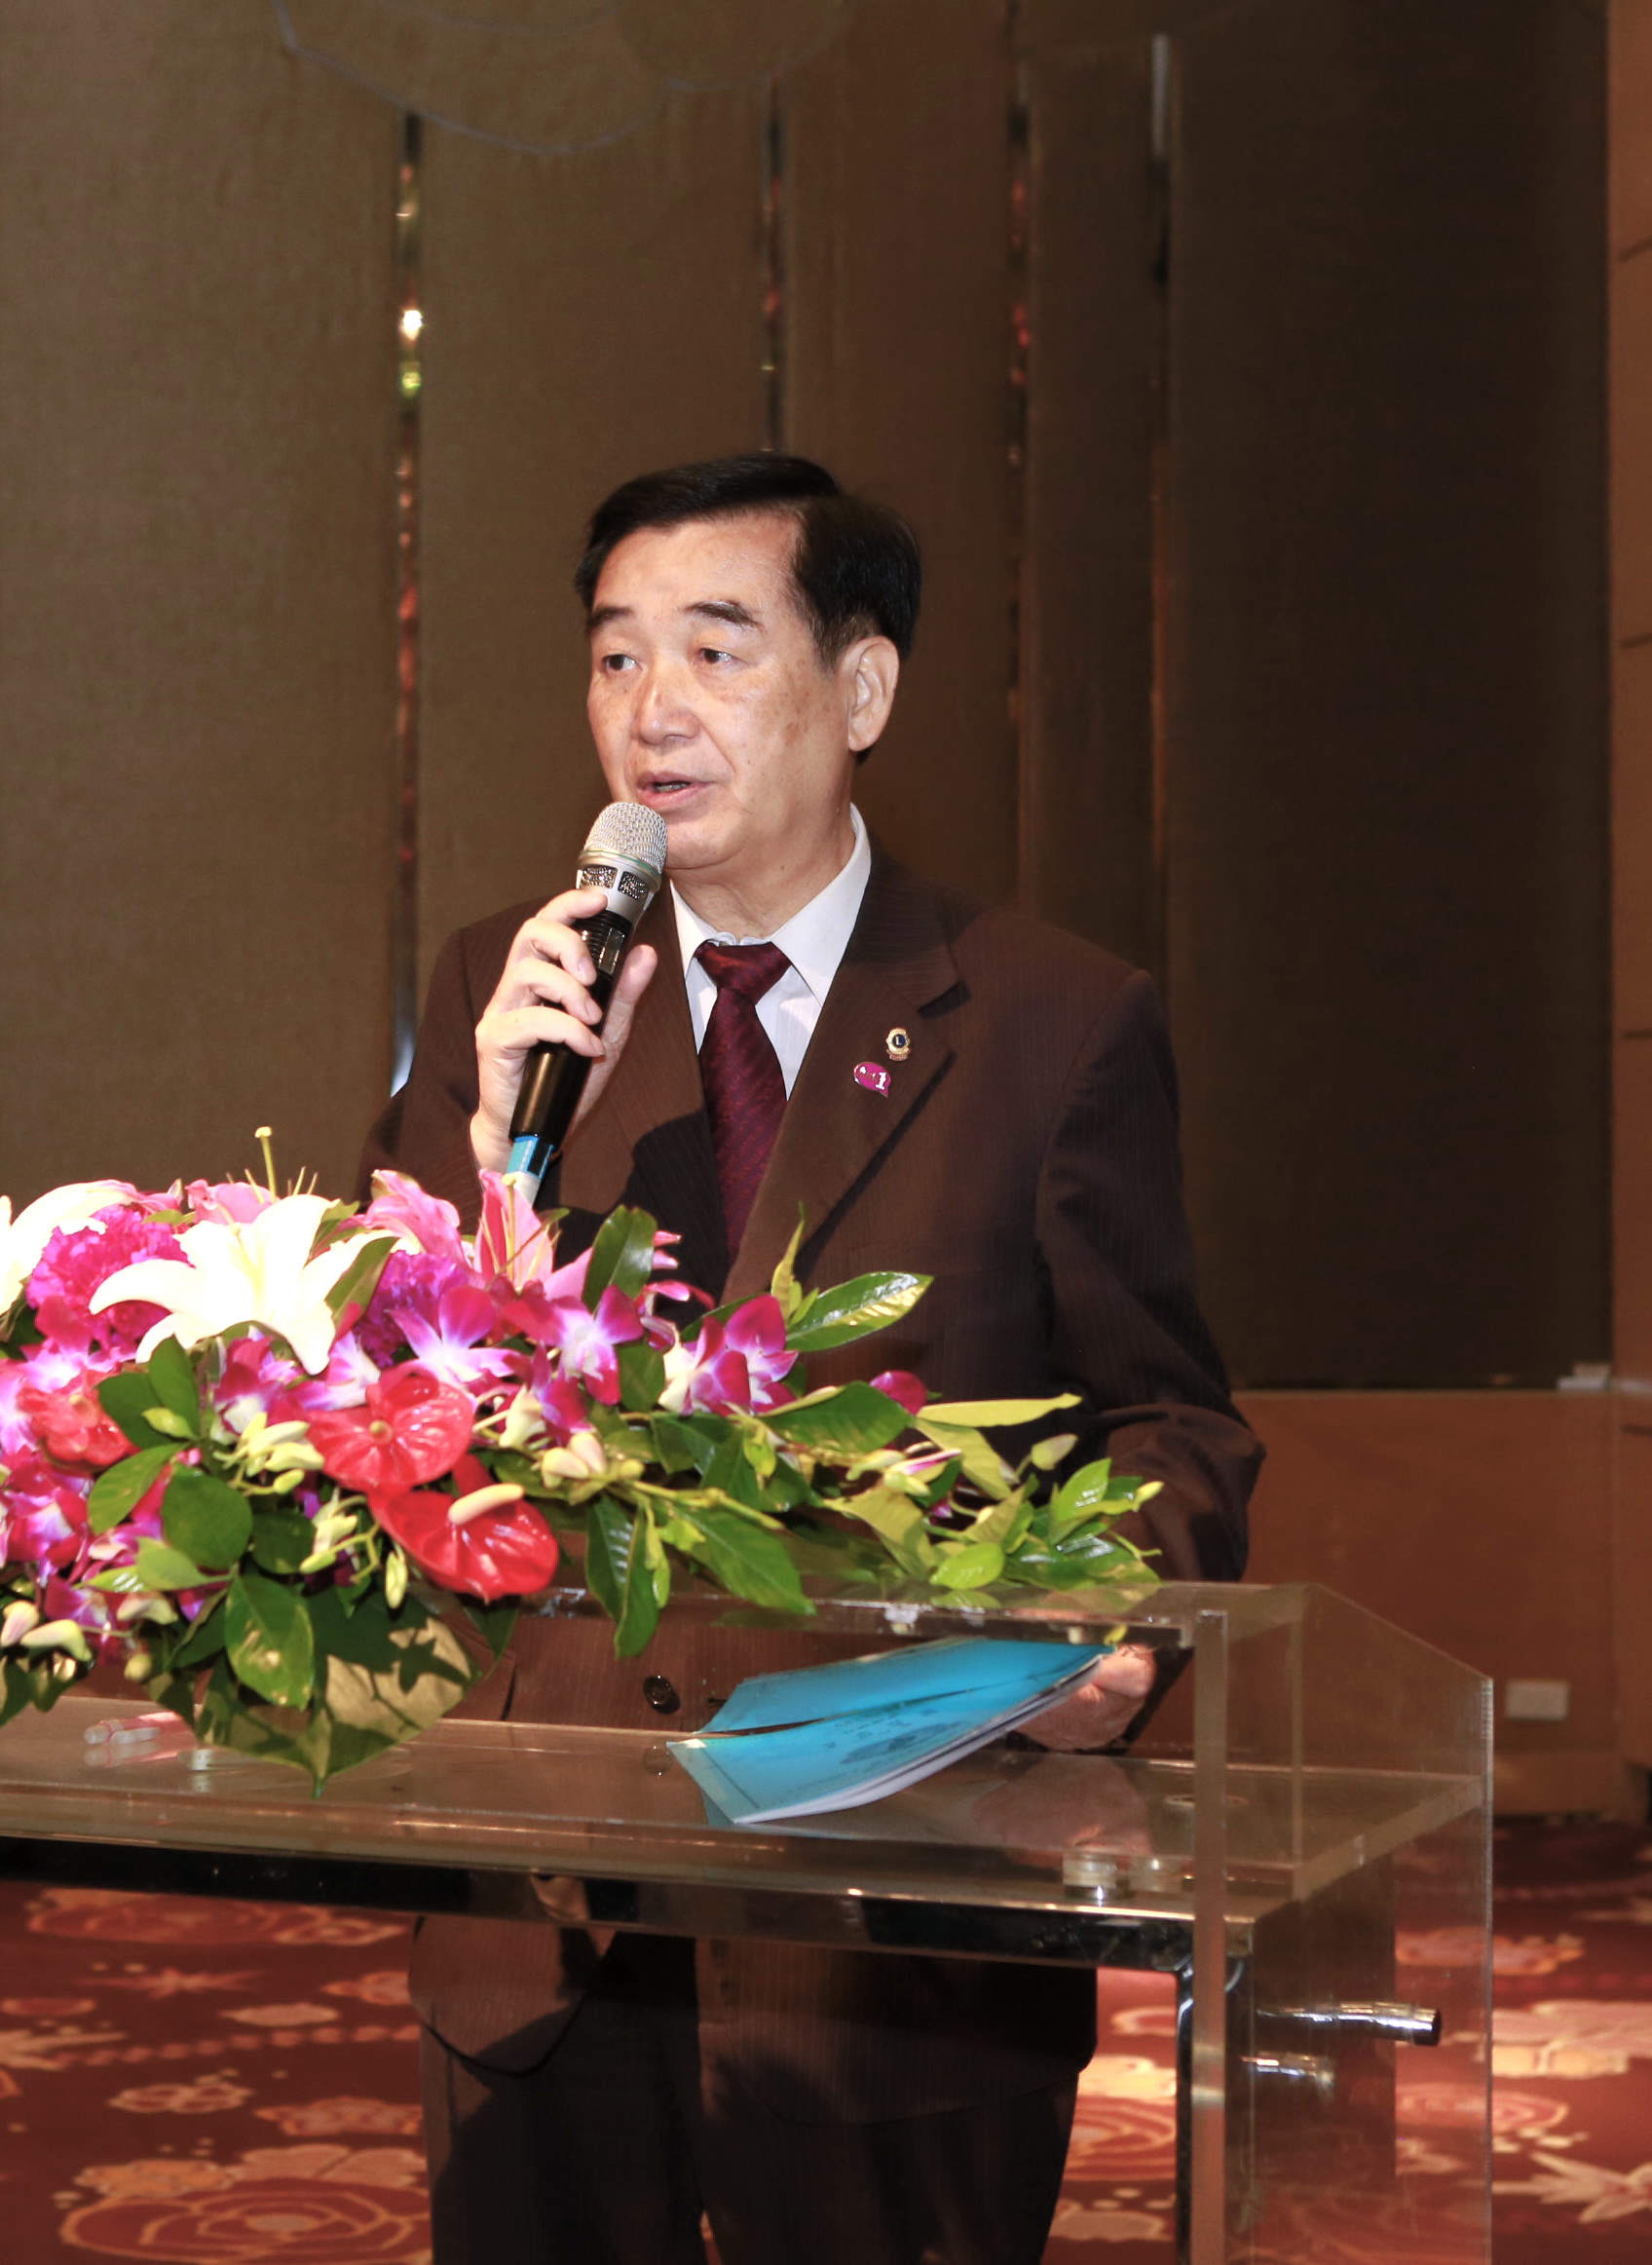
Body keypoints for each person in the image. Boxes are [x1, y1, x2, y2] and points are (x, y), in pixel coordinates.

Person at [356, 453, 1259, 2265]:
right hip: (548, 1923)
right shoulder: (504, 995)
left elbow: (1166, 1417)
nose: (652, 711)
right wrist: (500, 1160)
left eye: (714, 649)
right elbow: (378, 1388)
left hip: (893, 1931)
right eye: (616, 656)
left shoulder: (1053, 1018)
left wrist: (1101, 1628)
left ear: (861, 689)